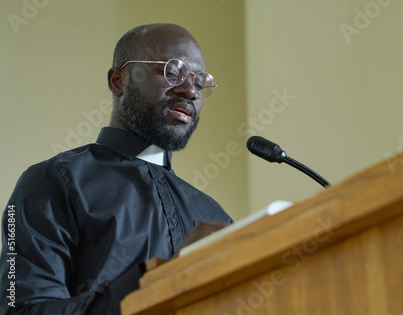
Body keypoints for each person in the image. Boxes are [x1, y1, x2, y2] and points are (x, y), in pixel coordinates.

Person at [0, 23, 233, 314]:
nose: (191, 91)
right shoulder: (50, 182)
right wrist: (158, 280)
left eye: (200, 82)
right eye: (172, 71)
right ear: (118, 81)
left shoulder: (215, 216)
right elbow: (21, 309)